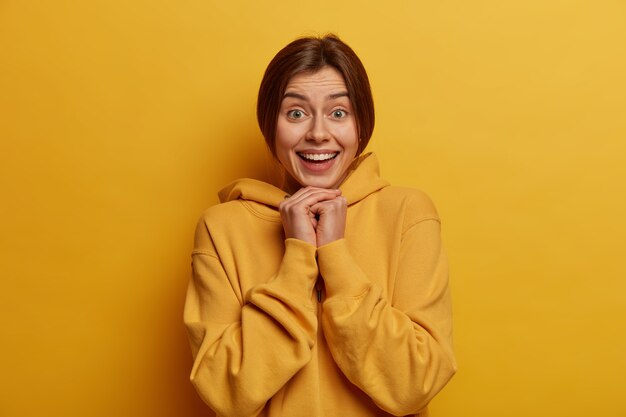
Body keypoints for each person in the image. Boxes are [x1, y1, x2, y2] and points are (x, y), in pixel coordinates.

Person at [184, 34, 456, 417]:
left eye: (338, 113)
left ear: (361, 127)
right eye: (295, 113)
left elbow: (415, 383)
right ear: (270, 128)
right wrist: (297, 258)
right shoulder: (221, 228)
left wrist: (335, 256)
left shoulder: (408, 214)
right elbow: (229, 394)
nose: (317, 132)